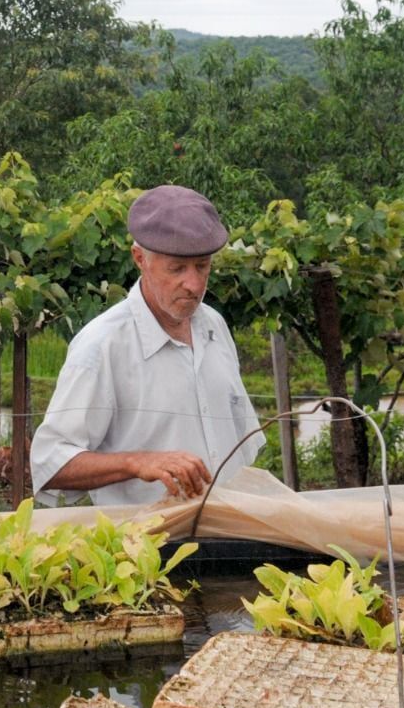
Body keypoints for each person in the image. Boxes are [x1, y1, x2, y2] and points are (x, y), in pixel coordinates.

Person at [30, 185, 263, 507]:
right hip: (148, 549)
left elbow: (240, 448)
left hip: (232, 535)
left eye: (203, 265)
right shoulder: (102, 346)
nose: (194, 284)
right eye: (177, 268)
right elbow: (50, 463)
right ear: (140, 258)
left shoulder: (214, 326)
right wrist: (137, 462)